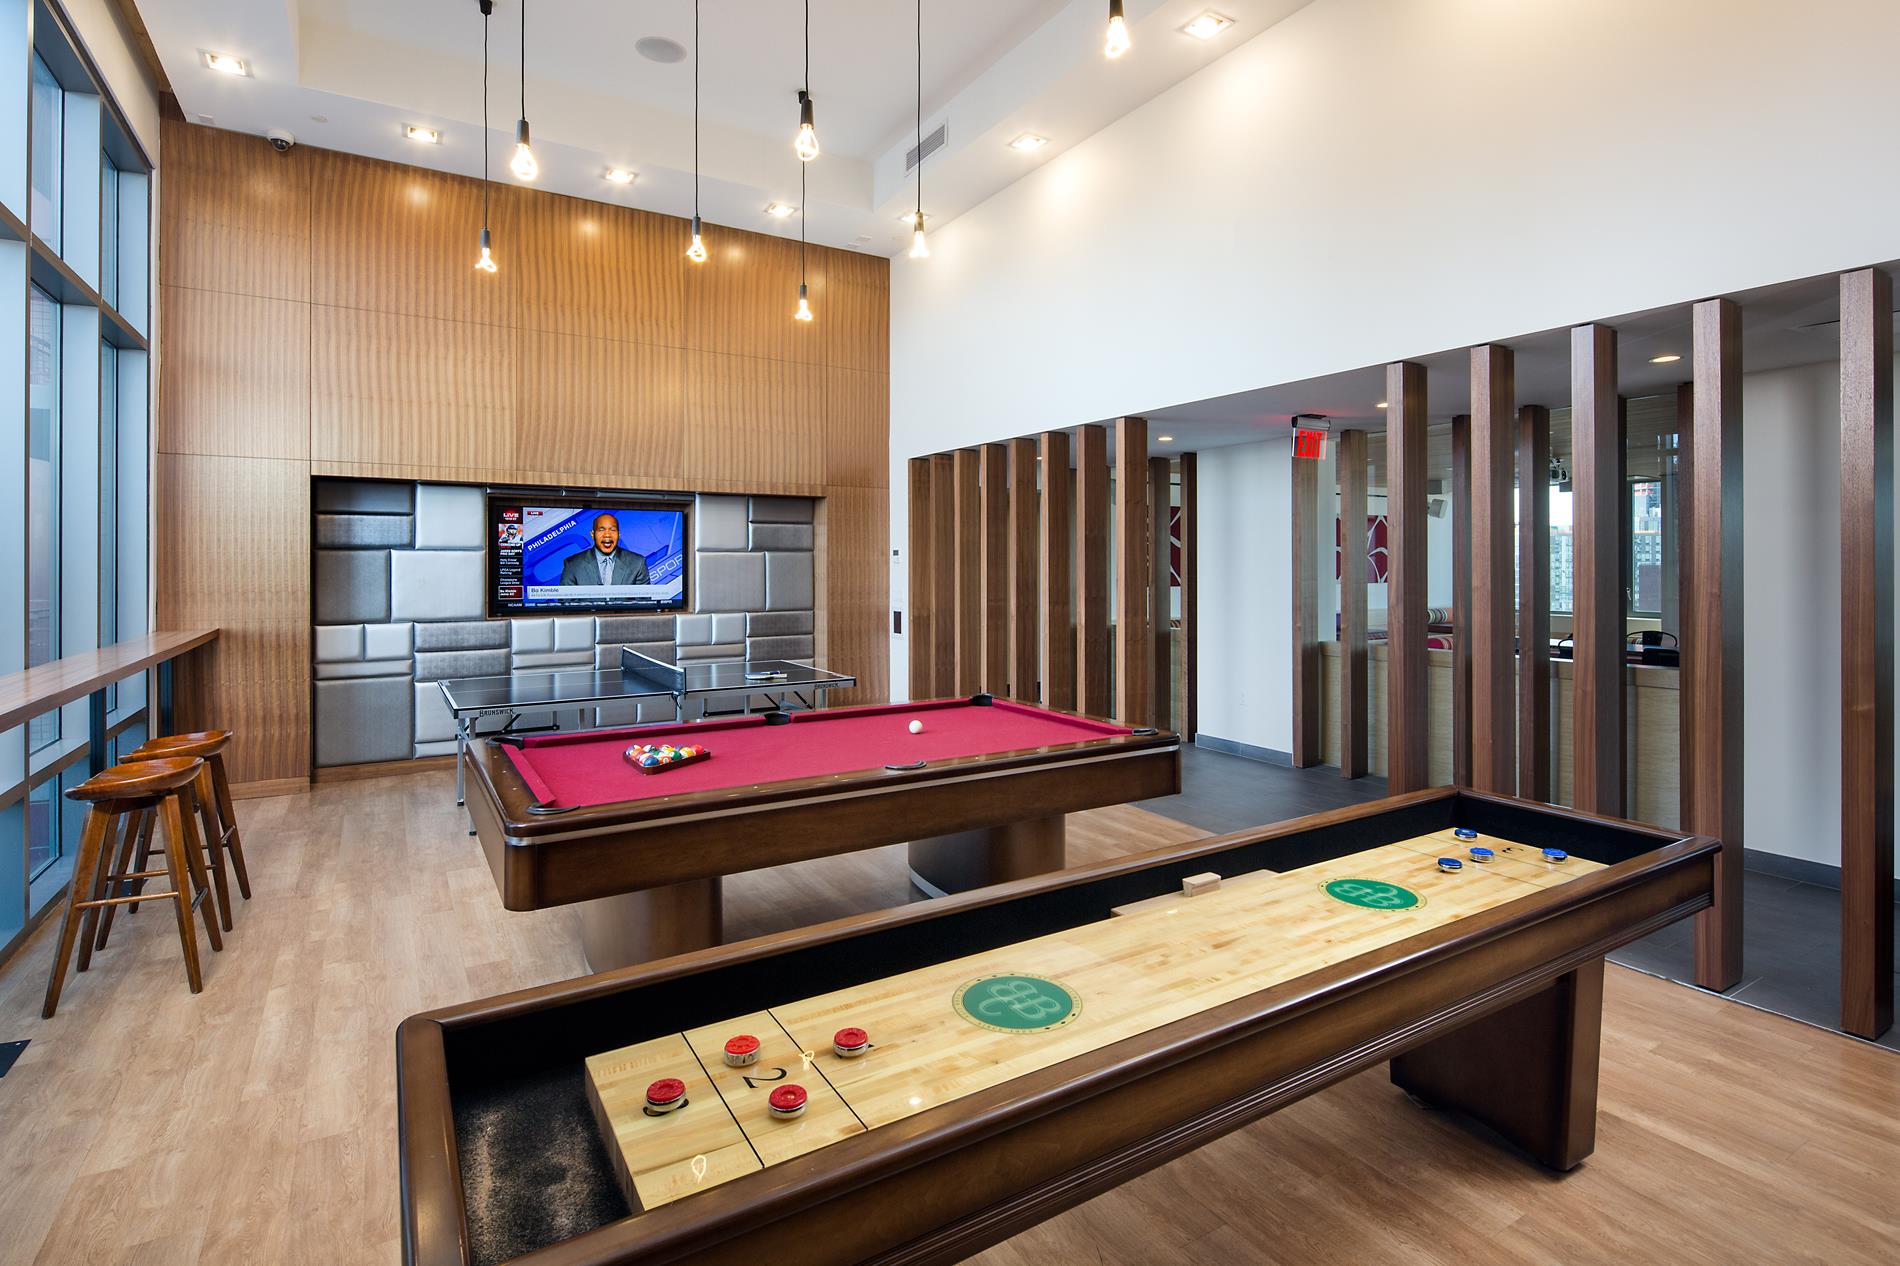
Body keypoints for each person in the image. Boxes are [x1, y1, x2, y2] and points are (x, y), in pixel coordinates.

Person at [558, 513, 650, 586]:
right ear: (592, 534)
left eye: (612, 530)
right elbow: (567, 601)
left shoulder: (638, 563)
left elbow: (643, 600)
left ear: (619, 535)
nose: (607, 535)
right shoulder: (572, 565)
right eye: (601, 530)